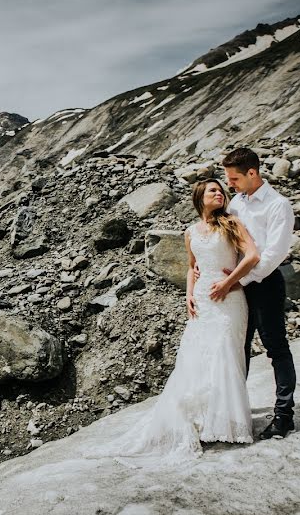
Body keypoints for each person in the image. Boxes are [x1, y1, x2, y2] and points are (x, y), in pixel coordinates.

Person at [85, 178, 259, 463]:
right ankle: (202, 419)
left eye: (221, 190)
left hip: (229, 299)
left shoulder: (231, 224)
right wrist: (188, 294)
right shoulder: (190, 232)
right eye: (213, 190)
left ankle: (225, 423)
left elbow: (251, 256)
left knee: (225, 354)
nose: (220, 193)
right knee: (197, 357)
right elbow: (193, 267)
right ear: (200, 197)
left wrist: (228, 282)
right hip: (202, 300)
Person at [220, 147, 297, 439]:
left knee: (275, 346)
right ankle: (236, 408)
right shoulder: (236, 203)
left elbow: (275, 253)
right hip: (237, 284)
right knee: (239, 347)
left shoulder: (278, 205)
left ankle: (283, 416)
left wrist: (241, 280)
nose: (230, 184)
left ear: (253, 173)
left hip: (264, 285)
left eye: (235, 179)